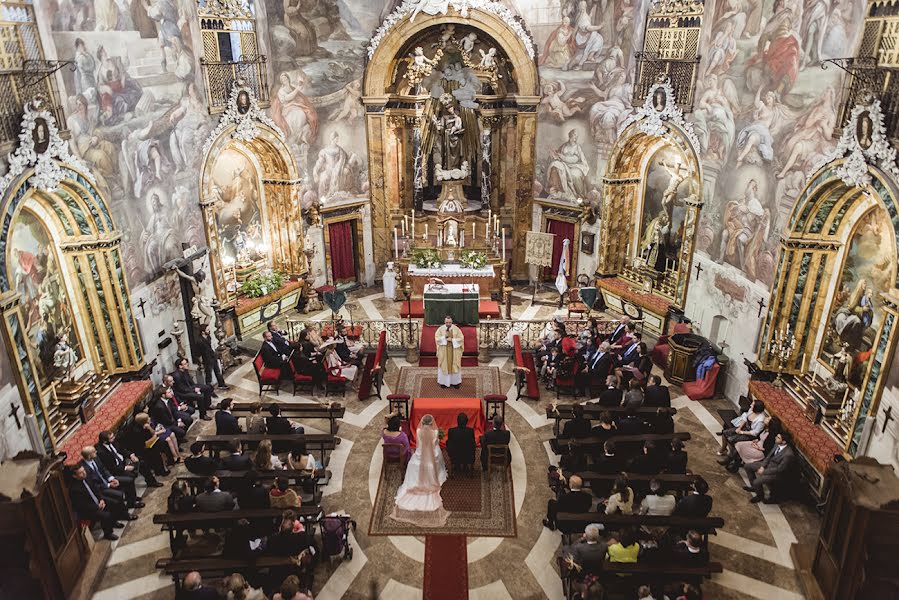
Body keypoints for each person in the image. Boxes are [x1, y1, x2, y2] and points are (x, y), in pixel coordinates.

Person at [391, 414, 449, 526]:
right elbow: (435, 445)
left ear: (422, 423)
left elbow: (418, 445)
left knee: (412, 463)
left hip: (420, 454)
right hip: (432, 456)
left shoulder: (418, 431)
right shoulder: (435, 432)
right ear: (432, 423)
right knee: (438, 451)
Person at [68, 465, 130, 541]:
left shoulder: (87, 478)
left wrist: (101, 500)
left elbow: (96, 490)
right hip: (89, 509)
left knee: (114, 503)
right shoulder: (75, 489)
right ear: (74, 476)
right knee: (106, 515)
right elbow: (82, 506)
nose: (84, 473)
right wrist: (97, 506)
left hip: (97, 501)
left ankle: (113, 522)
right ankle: (108, 533)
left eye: (83, 470)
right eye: (80, 473)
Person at [97, 429, 162, 488]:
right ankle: (132, 498)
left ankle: (151, 482)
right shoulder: (102, 452)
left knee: (142, 463)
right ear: (105, 441)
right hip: (117, 469)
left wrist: (131, 455)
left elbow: (122, 450)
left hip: (124, 462)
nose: (114, 438)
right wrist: (125, 468)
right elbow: (111, 467)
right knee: (130, 476)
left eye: (113, 436)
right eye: (111, 438)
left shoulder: (113, 442)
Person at [744, 431, 795, 503]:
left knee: (757, 482)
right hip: (768, 465)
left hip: (776, 473)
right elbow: (768, 457)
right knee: (748, 466)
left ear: (784, 442)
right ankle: (755, 488)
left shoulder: (788, 454)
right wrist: (762, 466)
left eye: (778, 438)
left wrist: (764, 471)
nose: (775, 438)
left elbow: (780, 469)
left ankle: (759, 496)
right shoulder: (777, 444)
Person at [436, 315, 465, 388]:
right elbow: (437, 339)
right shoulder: (440, 329)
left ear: (452, 322)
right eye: (447, 322)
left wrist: (452, 340)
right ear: (444, 322)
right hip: (444, 351)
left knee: (455, 365)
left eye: (449, 322)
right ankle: (444, 382)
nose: (448, 324)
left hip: (454, 351)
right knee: (444, 365)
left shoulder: (457, 329)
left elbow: (461, 339)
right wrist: (444, 337)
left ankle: (455, 382)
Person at [197, 325, 229, 391]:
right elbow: (198, 353)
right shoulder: (199, 341)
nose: (209, 331)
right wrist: (201, 363)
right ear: (203, 332)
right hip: (206, 359)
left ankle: (221, 384)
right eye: (207, 330)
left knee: (217, 371)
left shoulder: (208, 337)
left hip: (212, 356)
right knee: (208, 374)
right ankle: (208, 388)